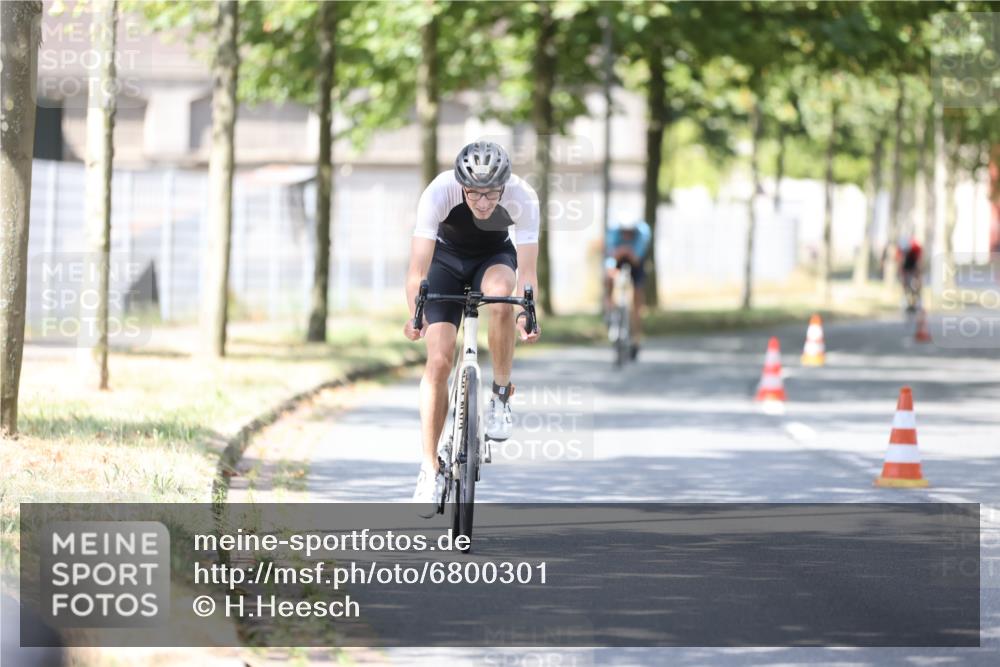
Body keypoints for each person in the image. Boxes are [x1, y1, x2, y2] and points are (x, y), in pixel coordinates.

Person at [403, 141, 541, 516]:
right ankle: (429, 468)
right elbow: (417, 269)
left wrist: (527, 312)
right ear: (460, 185)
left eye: (491, 194)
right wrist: (416, 314)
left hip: (493, 258)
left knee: (499, 296)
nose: (482, 203)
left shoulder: (523, 197)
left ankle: (499, 395)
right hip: (444, 261)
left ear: (504, 186)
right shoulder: (439, 191)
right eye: (474, 194)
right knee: (439, 360)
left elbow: (527, 273)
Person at [603, 219, 652, 359]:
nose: (627, 235)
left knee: (637, 295)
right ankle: (609, 308)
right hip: (617, 257)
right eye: (624, 232)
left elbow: (636, 259)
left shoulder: (642, 234)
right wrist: (613, 271)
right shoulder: (613, 233)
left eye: (630, 232)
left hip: (636, 260)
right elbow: (611, 259)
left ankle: (636, 337)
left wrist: (626, 251)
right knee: (608, 277)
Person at [898, 236, 923, 312]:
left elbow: (919, 262)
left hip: (914, 262)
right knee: (905, 283)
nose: (905, 253)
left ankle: (918, 301)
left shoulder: (916, 248)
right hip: (906, 265)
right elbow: (901, 264)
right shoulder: (900, 250)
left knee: (916, 284)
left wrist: (917, 275)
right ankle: (906, 301)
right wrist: (903, 277)